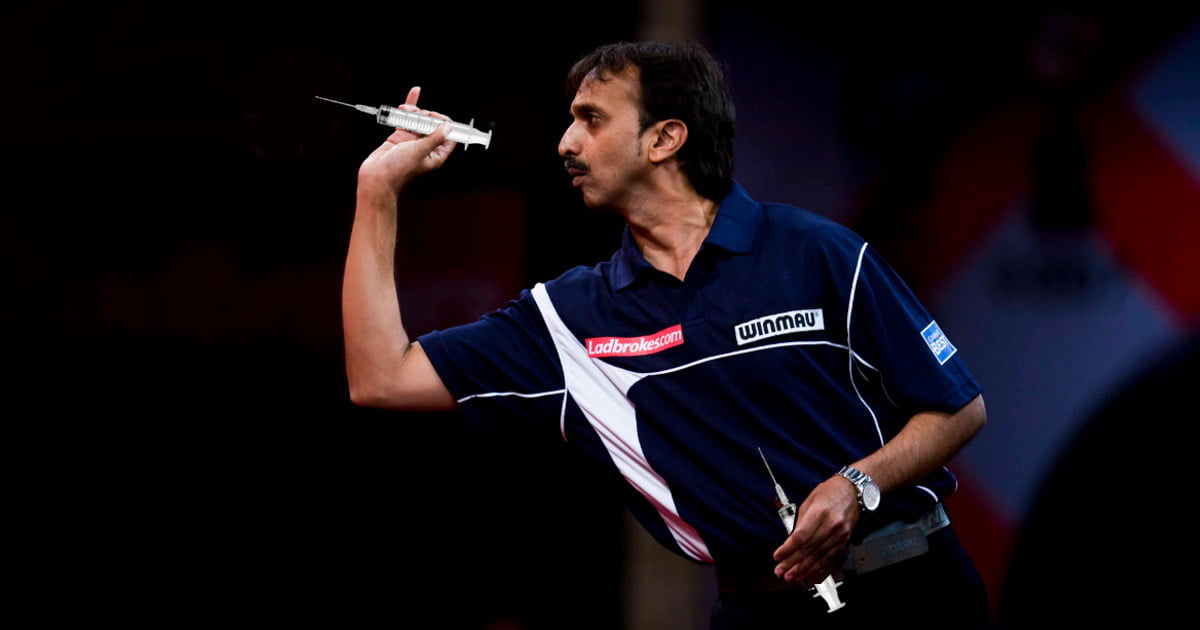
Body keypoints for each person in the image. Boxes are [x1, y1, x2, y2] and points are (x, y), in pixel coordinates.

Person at [343, 41, 991, 629]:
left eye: (591, 119)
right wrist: (377, 191)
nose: (565, 143)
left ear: (664, 138)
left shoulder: (816, 252)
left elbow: (959, 408)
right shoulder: (568, 319)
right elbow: (382, 378)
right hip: (759, 611)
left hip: (912, 590)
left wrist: (854, 483)